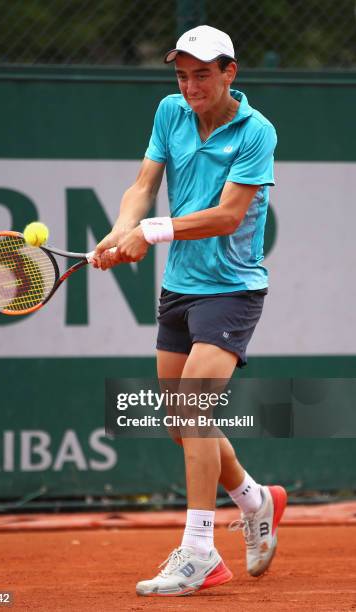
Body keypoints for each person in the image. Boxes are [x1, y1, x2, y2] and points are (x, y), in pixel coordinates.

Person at [93, 24, 287, 597]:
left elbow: (228, 215)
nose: (191, 85)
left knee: (195, 407)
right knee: (182, 424)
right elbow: (143, 181)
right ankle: (257, 500)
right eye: (182, 74)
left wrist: (150, 232)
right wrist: (122, 226)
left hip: (232, 287)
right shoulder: (170, 112)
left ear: (230, 72)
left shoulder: (257, 132)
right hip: (180, 288)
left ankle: (201, 551)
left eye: (203, 73)